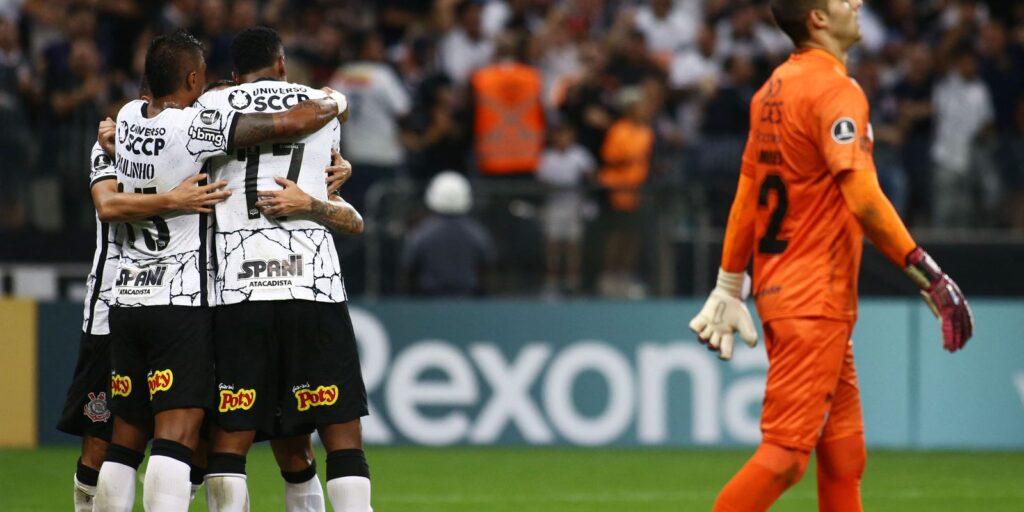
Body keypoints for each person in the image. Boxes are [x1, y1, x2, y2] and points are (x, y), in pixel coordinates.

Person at [687, 1, 974, 511]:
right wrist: (930, 275)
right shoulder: (836, 91)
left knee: (843, 455)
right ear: (818, 18)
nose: (856, 2)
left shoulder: (772, 89)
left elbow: (748, 194)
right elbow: (863, 198)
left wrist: (730, 282)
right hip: (813, 296)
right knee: (785, 457)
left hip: (793, 295)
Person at [93, 30, 346, 512]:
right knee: (180, 432)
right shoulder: (195, 126)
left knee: (125, 436)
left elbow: (111, 184)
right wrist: (333, 101)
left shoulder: (125, 119)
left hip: (125, 299)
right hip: (182, 301)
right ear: (192, 77)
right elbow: (285, 124)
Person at [195, 26, 371, 512]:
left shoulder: (209, 109)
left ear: (232, 74)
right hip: (313, 288)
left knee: (228, 439)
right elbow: (335, 190)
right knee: (340, 436)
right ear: (281, 64)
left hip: (237, 289)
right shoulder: (323, 104)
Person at [60, 102, 231, 510]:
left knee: (197, 437)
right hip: (111, 307)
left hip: (188, 303)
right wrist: (174, 198)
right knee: (104, 439)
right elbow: (110, 205)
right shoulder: (108, 143)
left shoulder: (186, 147)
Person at [399, 171, 496, 296]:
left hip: (428, 302)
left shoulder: (422, 232)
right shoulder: (477, 232)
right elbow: (489, 267)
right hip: (468, 301)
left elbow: (408, 269)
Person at [536, 122, 596, 296]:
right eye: (559, 134)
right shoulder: (547, 156)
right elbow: (541, 181)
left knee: (573, 245)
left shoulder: (580, 155)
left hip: (574, 204)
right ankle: (552, 281)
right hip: (554, 205)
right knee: (553, 244)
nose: (563, 139)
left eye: (566, 134)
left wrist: (587, 190)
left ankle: (572, 281)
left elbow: (592, 176)